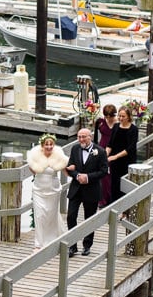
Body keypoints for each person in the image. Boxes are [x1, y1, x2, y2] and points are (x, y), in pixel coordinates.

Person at [64, 128, 108, 257]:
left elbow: (104, 171)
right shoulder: (75, 149)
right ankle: (72, 246)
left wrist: (87, 177)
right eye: (79, 137)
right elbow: (70, 167)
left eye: (84, 137)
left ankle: (87, 245)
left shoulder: (100, 151)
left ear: (90, 137)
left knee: (89, 218)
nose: (81, 139)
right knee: (71, 216)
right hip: (76, 188)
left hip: (91, 189)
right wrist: (77, 176)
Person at [27, 133, 69, 249]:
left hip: (53, 190)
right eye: (47, 144)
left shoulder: (58, 157)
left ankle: (52, 238)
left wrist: (76, 171)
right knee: (40, 216)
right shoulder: (36, 156)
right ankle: (39, 243)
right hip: (38, 190)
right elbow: (34, 171)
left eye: (51, 144)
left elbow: (66, 171)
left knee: (51, 215)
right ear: (42, 145)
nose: (49, 146)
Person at [106, 106, 139, 202]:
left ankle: (125, 209)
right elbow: (110, 143)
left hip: (126, 160)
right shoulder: (116, 126)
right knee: (114, 184)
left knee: (125, 184)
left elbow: (130, 148)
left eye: (123, 116)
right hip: (114, 160)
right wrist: (106, 153)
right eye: (119, 116)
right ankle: (114, 205)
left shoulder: (133, 129)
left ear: (128, 117)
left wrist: (115, 157)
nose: (120, 118)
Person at [94, 103, 116, 207]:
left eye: (110, 116)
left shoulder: (117, 123)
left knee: (111, 174)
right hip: (102, 146)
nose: (108, 118)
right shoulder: (101, 122)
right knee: (103, 174)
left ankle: (111, 198)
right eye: (106, 116)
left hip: (113, 148)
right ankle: (102, 199)